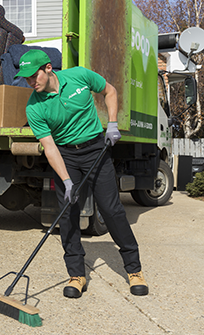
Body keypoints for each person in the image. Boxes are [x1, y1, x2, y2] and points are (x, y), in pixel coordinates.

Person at [18, 49, 148, 298]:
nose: (31, 82)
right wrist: (66, 181)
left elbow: (110, 91)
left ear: (47, 68)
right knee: (67, 214)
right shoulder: (34, 107)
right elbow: (49, 146)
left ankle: (134, 270)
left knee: (111, 210)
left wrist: (111, 124)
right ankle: (77, 274)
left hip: (95, 149)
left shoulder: (79, 76)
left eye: (33, 76)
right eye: (26, 79)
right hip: (66, 156)